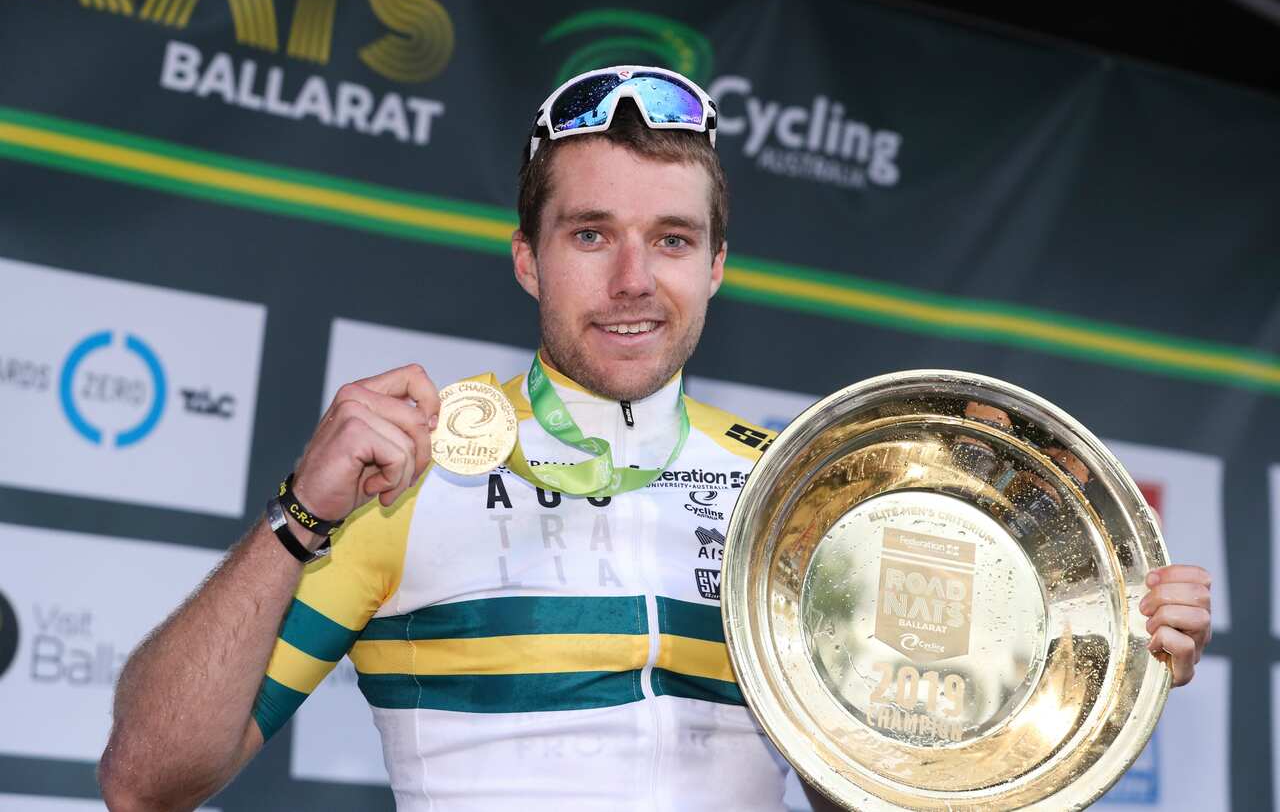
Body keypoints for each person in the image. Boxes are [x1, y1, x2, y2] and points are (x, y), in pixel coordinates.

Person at [97, 66, 1213, 812]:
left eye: (671, 239)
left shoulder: (793, 491)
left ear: (714, 266)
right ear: (529, 257)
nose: (634, 280)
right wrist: (300, 515)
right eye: (591, 234)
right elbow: (148, 780)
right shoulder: (409, 467)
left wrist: (1103, 642)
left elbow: (877, 786)